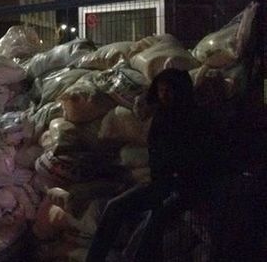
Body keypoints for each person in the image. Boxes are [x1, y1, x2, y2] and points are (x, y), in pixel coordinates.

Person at [85, 68, 226, 261]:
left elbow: (204, 162)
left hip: (189, 188)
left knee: (156, 220)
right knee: (114, 207)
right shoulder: (162, 116)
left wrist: (176, 182)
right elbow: (157, 158)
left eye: (170, 90)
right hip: (162, 185)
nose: (164, 95)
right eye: (161, 90)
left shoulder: (197, 119)